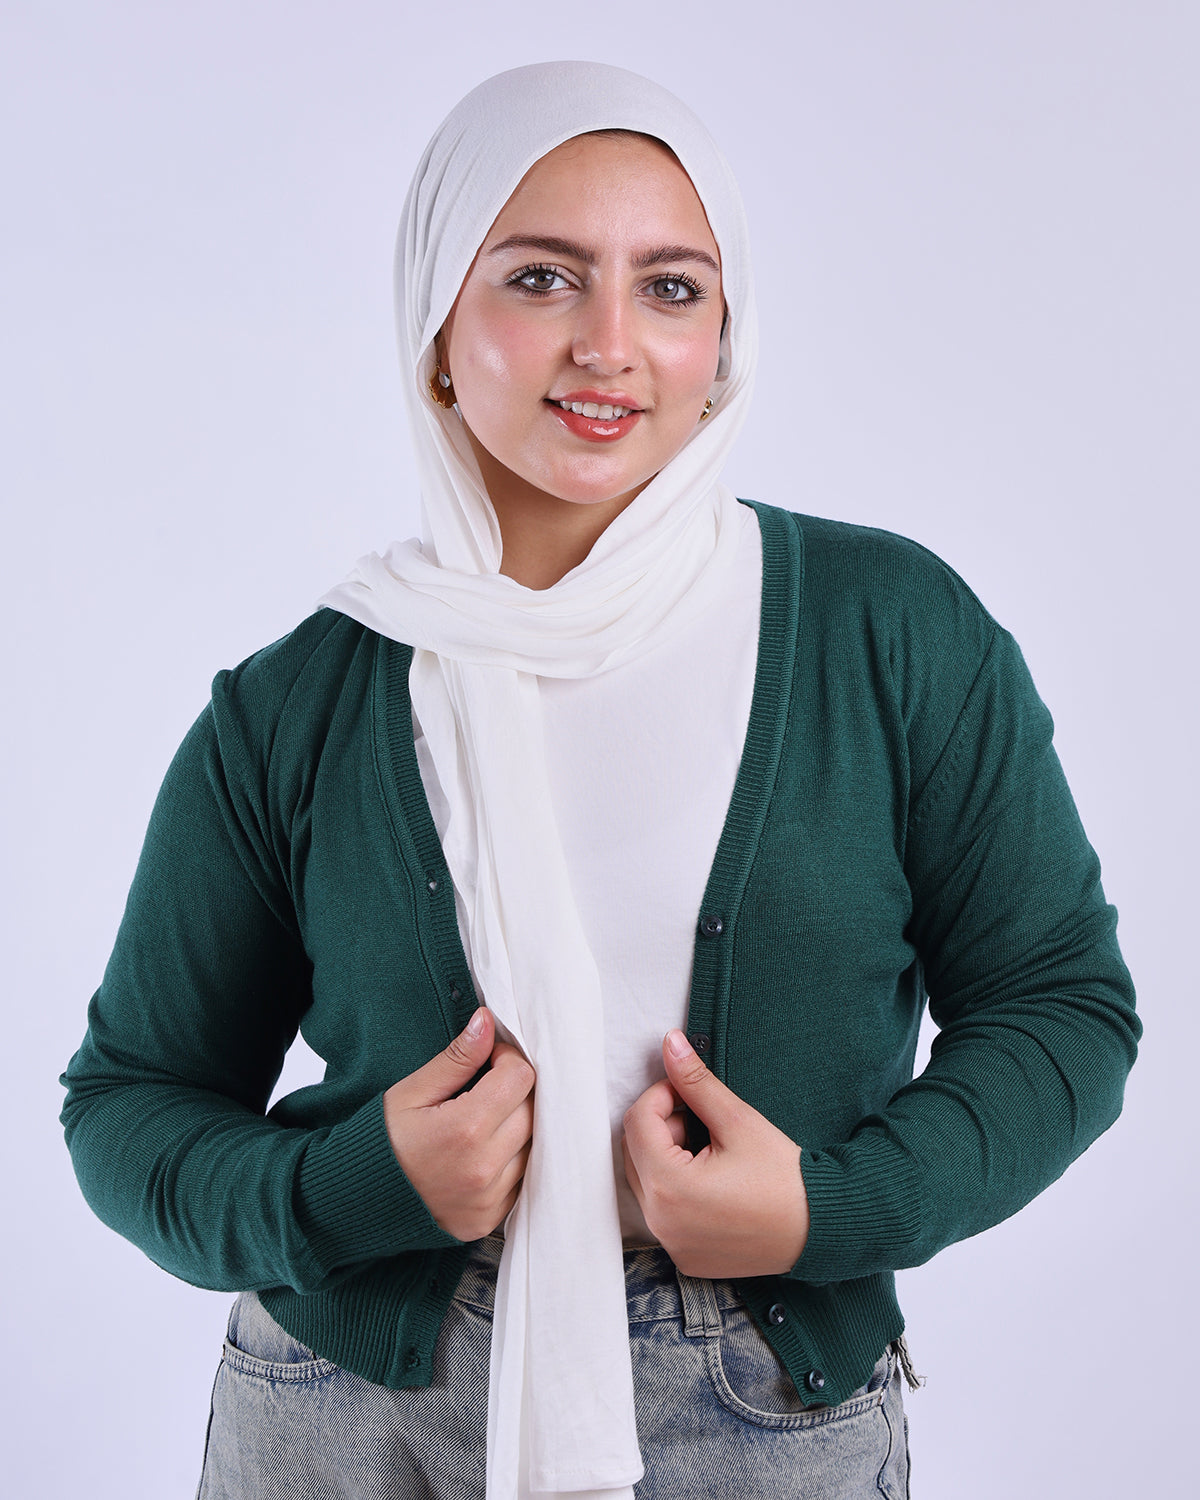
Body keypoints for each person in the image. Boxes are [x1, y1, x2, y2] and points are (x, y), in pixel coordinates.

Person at [60, 61, 1140, 1500]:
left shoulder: (890, 633)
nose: (610, 346)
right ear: (437, 326)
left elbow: (1062, 1008)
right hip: (347, 1408)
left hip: (764, 1407)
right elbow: (130, 1103)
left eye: (673, 288)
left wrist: (829, 1210)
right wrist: (348, 1190)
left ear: (727, 338)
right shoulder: (296, 704)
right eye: (542, 279)